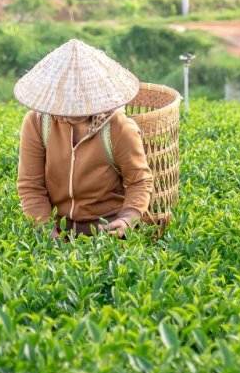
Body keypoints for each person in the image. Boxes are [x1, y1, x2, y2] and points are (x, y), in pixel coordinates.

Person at [14, 39, 151, 237]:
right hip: (57, 228)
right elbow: (30, 184)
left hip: (107, 230)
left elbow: (139, 181)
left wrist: (127, 218)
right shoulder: (37, 123)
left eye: (80, 99)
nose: (72, 108)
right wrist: (44, 228)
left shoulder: (118, 128)